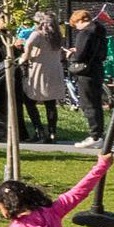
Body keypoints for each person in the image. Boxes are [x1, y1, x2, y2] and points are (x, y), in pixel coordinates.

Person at [65, 8, 108, 148]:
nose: (76, 28)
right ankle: (98, 134)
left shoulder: (84, 33)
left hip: (86, 73)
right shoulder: (100, 32)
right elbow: (101, 54)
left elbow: (80, 55)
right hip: (97, 69)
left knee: (88, 104)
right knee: (96, 103)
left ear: (79, 21)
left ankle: (95, 136)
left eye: (75, 24)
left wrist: (71, 54)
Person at [21, 11, 64, 144]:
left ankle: (39, 131)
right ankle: (52, 133)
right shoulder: (57, 36)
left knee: (29, 100)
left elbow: (28, 45)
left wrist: (26, 57)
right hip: (55, 71)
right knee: (50, 103)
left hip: (40, 71)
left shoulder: (37, 34)